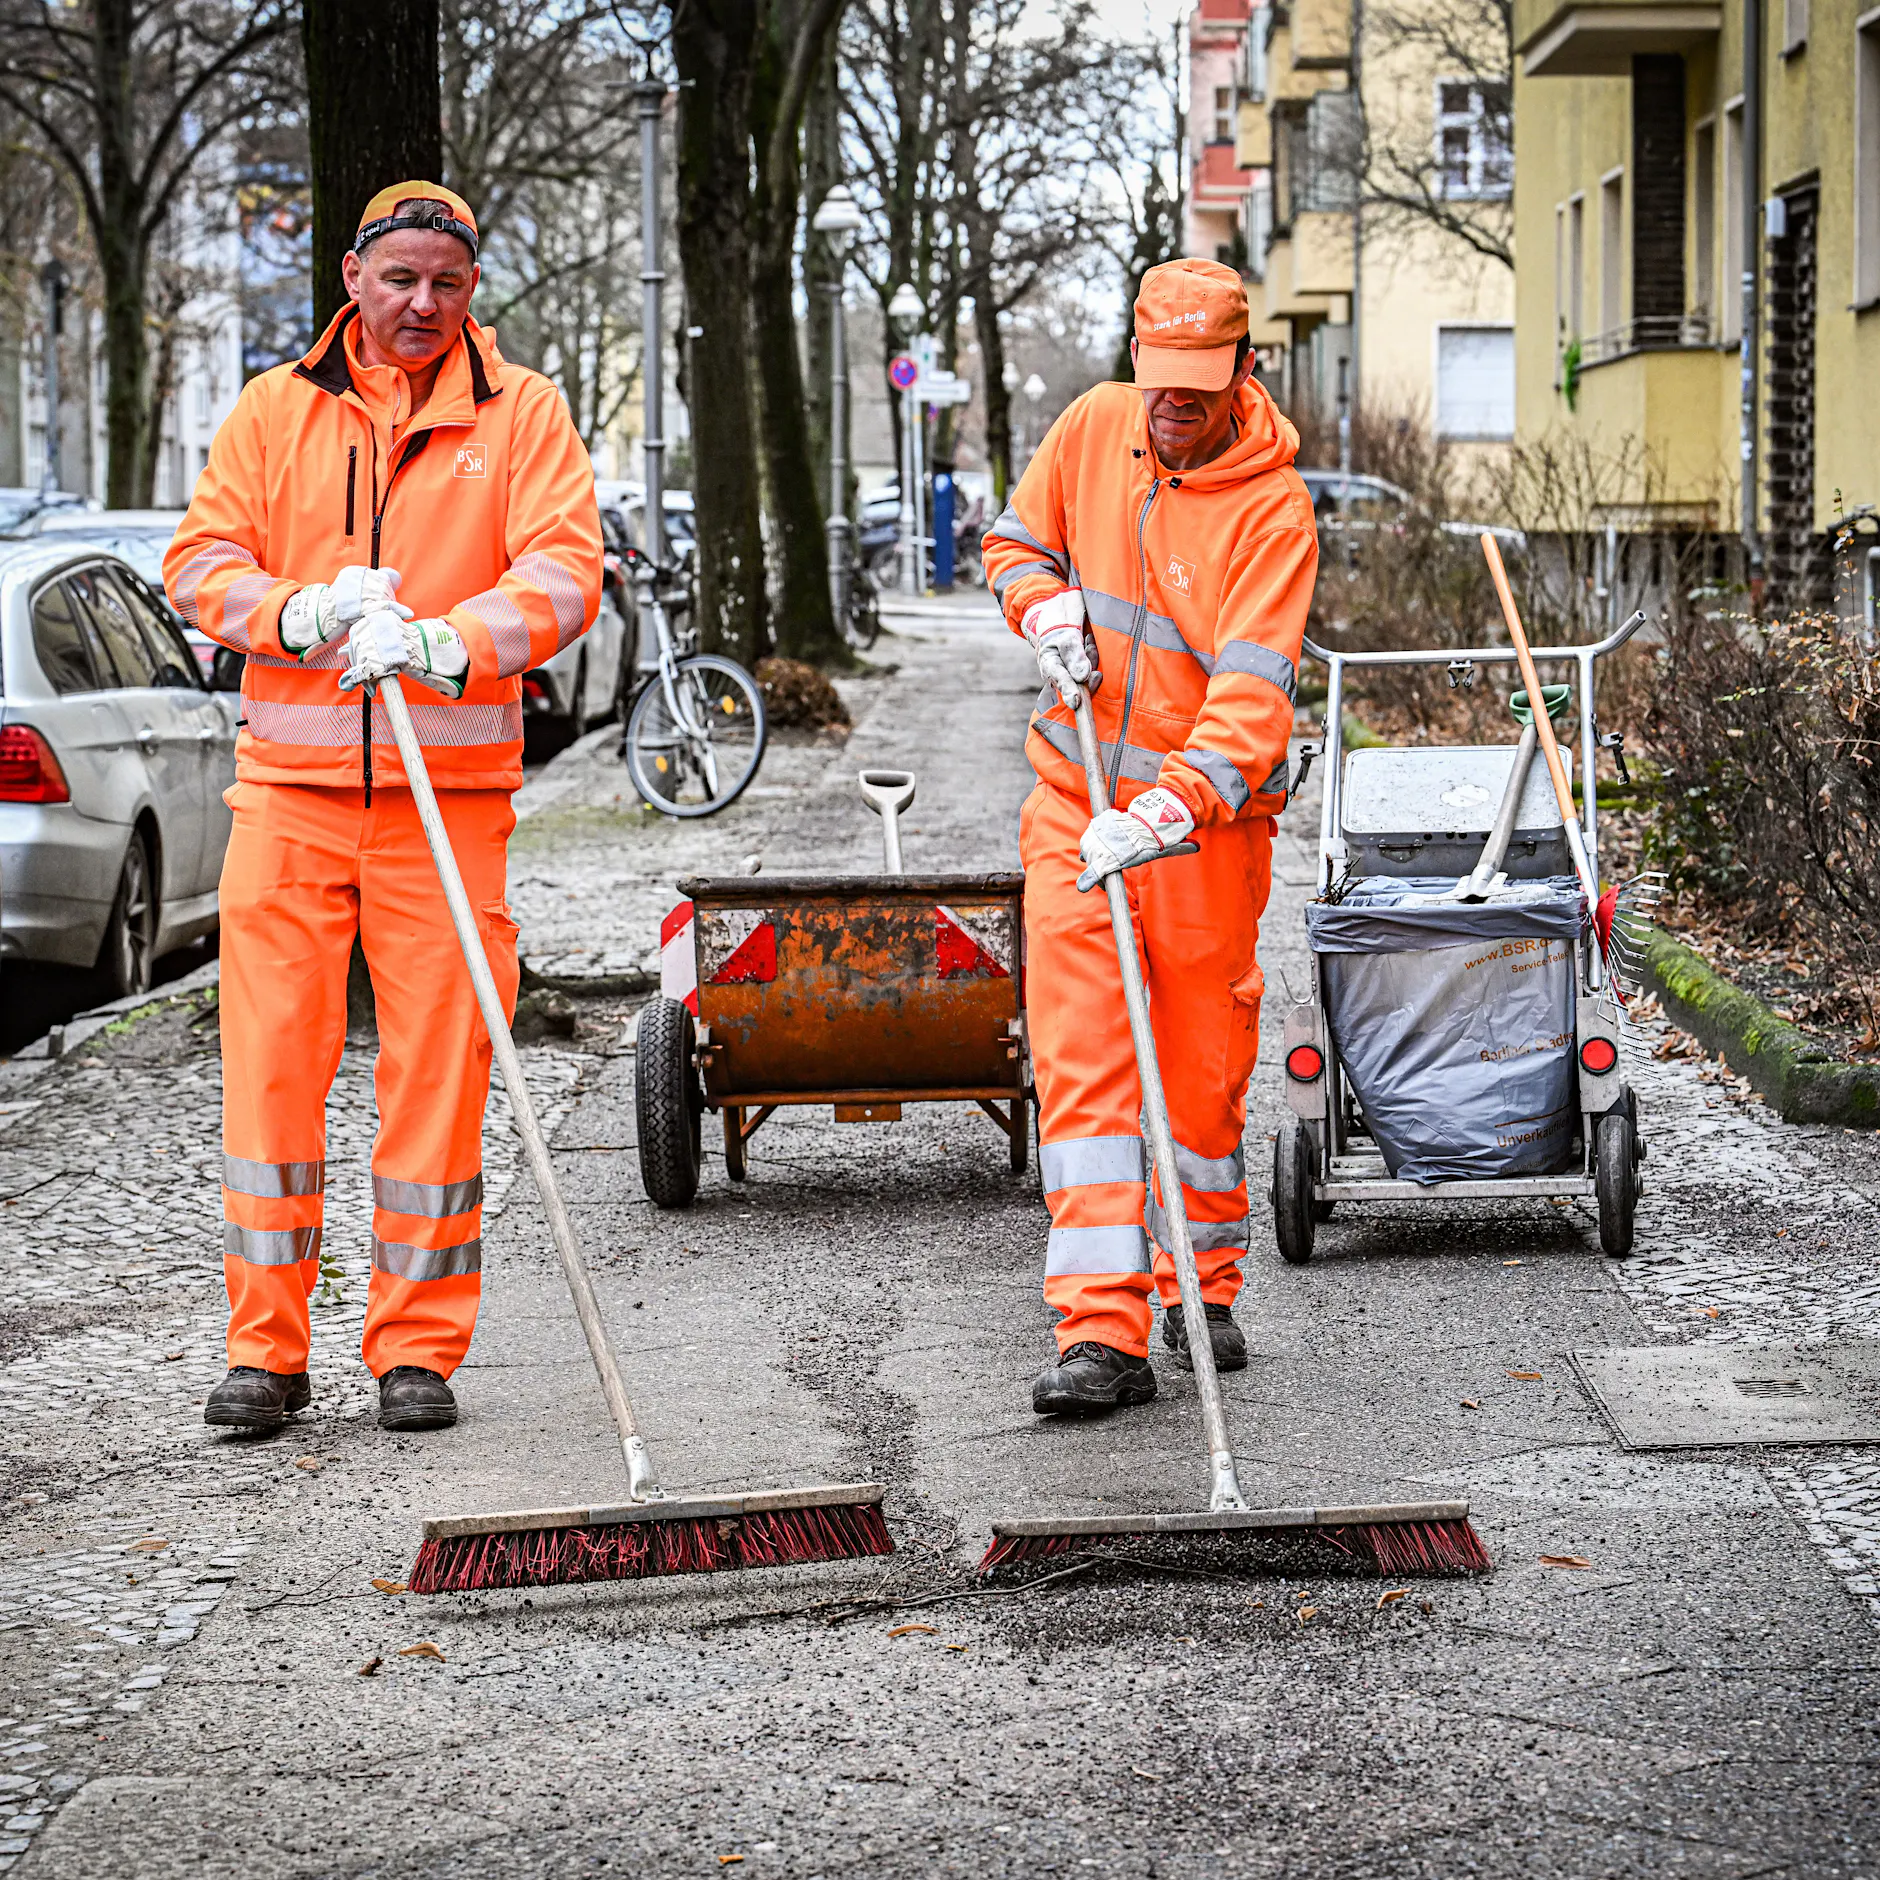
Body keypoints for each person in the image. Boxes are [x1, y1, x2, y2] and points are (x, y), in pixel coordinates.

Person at [166, 182, 602, 1434]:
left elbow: (567, 570)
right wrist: (296, 613)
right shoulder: (273, 408)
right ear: (351, 275)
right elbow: (200, 562)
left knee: (439, 1078)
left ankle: (415, 1351)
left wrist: (445, 640)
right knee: (270, 1077)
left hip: (446, 804)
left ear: (474, 292)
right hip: (288, 799)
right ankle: (266, 1351)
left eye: (447, 283)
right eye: (400, 276)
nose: (422, 303)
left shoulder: (520, 413)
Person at [981, 257, 1317, 1415]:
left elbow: (1250, 694)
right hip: (1073, 805)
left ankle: (1201, 1287)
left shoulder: (1273, 511)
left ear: (1240, 373)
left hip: (1199, 835)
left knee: (1201, 1075)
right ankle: (1101, 1333)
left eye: (1194, 388)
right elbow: (1013, 540)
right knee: (1081, 1071)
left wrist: (1170, 806)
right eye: (1155, 382)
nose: (1169, 408)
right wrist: (1042, 606)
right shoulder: (1091, 429)